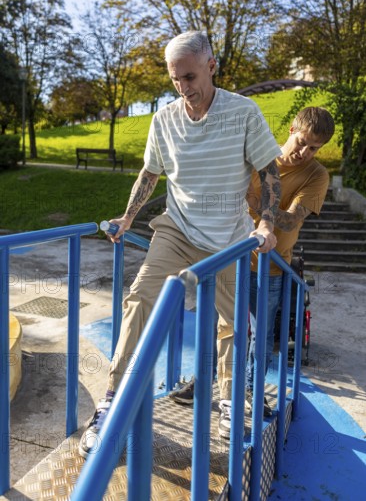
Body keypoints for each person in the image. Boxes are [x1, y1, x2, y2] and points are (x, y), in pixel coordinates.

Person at [79, 30, 281, 456]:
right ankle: (111, 401)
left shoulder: (243, 112)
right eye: (175, 80)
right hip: (177, 230)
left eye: (190, 77)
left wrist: (266, 223)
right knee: (140, 300)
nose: (184, 88)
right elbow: (150, 174)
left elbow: (270, 171)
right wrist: (127, 218)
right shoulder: (164, 120)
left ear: (212, 66)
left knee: (233, 321)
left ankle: (229, 400)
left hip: (228, 236)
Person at [170, 107, 335, 417]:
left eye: (315, 148)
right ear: (290, 130)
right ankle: (202, 383)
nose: (305, 152)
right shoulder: (258, 155)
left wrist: (251, 200)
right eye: (302, 142)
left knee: (259, 338)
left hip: (270, 267)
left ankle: (251, 392)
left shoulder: (316, 175)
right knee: (214, 326)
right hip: (228, 259)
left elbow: (289, 222)